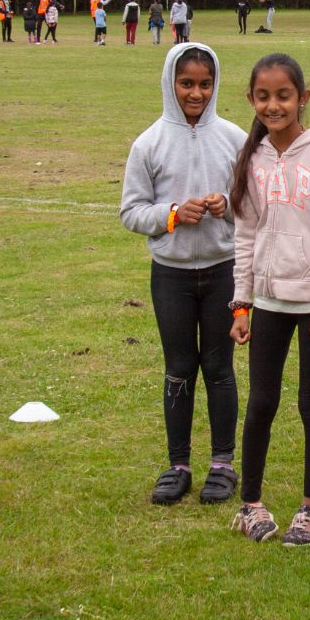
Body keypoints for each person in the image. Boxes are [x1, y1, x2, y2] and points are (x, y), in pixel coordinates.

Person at [227, 53, 310, 545]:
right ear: (251, 100)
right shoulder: (252, 157)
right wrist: (241, 302)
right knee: (260, 402)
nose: (273, 105)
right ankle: (251, 503)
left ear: (304, 97)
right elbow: (245, 233)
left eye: (283, 95)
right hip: (269, 301)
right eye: (263, 96)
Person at [121, 43, 248, 507]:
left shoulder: (234, 139)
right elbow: (131, 212)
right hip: (171, 275)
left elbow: (251, 207)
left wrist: (226, 206)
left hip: (222, 271)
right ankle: (178, 465)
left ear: (216, 86)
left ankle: (223, 464)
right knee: (179, 369)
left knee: (218, 368)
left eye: (205, 84)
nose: (196, 93)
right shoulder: (149, 143)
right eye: (187, 83)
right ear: (170, 83)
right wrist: (171, 214)